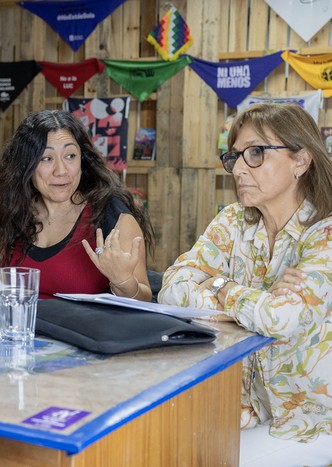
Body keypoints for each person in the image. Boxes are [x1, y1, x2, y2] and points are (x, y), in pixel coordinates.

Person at [158, 103, 332, 465]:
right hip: (246, 409)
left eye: (255, 153)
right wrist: (245, 297)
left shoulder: (325, 233)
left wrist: (218, 287)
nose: (238, 168)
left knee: (208, 460)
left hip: (311, 422)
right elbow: (172, 287)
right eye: (235, 156)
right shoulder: (234, 221)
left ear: (301, 160)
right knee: (160, 442)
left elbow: (280, 318)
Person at [0, 109, 154, 300]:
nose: (61, 171)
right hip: (18, 341)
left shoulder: (112, 216)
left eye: (70, 156)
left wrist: (124, 282)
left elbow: (143, 299)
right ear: (27, 167)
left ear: (83, 160)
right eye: (46, 158)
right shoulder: (15, 216)